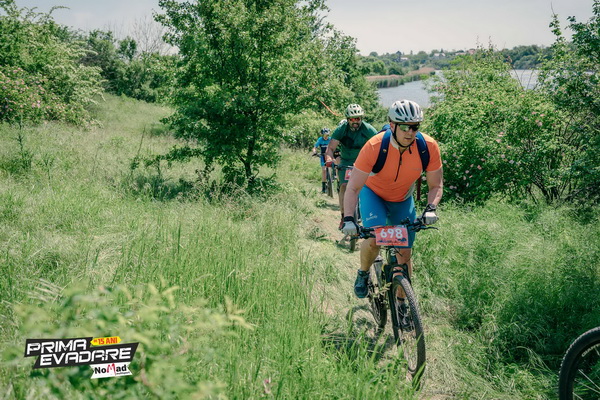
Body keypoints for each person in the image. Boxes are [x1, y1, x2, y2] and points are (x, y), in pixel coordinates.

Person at [340, 99, 444, 302]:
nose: (410, 132)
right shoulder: (374, 146)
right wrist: (349, 219)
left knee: (405, 253)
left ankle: (402, 305)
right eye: (404, 127)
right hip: (373, 194)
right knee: (374, 240)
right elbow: (352, 187)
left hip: (402, 199)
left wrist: (430, 208)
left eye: (415, 127)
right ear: (392, 124)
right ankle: (363, 272)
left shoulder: (428, 147)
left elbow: (435, 185)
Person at [325, 104, 378, 229]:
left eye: (358, 118)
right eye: (352, 119)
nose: (355, 121)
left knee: (368, 188)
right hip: (345, 162)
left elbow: (379, 144)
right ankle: (344, 216)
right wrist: (329, 158)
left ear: (361, 118)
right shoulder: (341, 129)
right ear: (347, 119)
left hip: (363, 162)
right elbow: (330, 148)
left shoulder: (368, 129)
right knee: (344, 186)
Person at [312, 128, 332, 193]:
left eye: (327, 135)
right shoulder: (320, 139)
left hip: (329, 155)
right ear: (322, 135)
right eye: (325, 135)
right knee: (324, 170)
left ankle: (334, 175)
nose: (326, 136)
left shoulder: (330, 139)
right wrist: (314, 152)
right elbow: (315, 147)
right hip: (322, 156)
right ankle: (323, 187)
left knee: (334, 164)